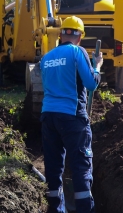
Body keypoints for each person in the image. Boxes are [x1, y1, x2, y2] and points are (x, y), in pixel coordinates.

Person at [39, 16, 103, 213]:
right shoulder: (77, 52)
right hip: (72, 117)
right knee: (81, 166)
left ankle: (54, 209)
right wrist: (96, 66)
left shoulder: (46, 58)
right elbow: (91, 84)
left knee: (53, 165)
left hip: (48, 117)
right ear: (80, 36)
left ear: (60, 34)